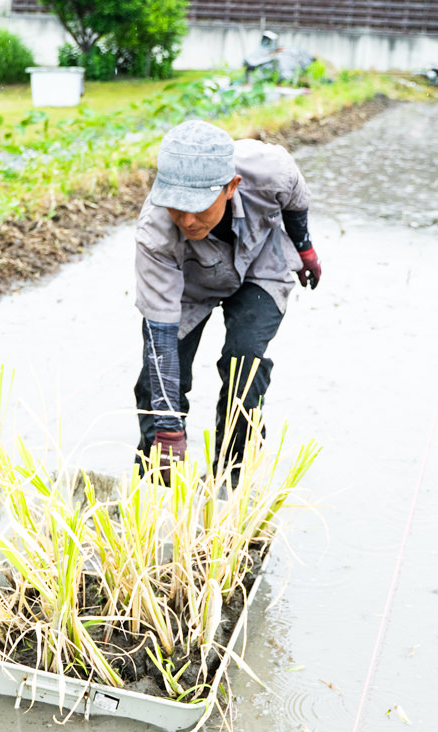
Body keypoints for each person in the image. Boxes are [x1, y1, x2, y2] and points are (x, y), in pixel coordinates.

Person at [132, 118, 321, 479]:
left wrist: (304, 248)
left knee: (244, 365)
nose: (188, 221)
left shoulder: (271, 169)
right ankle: (158, 483)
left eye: (199, 206)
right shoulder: (155, 234)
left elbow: (296, 200)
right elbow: (161, 337)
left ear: (231, 186)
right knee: (155, 383)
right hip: (189, 284)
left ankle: (231, 477)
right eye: (177, 206)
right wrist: (168, 428)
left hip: (259, 266)